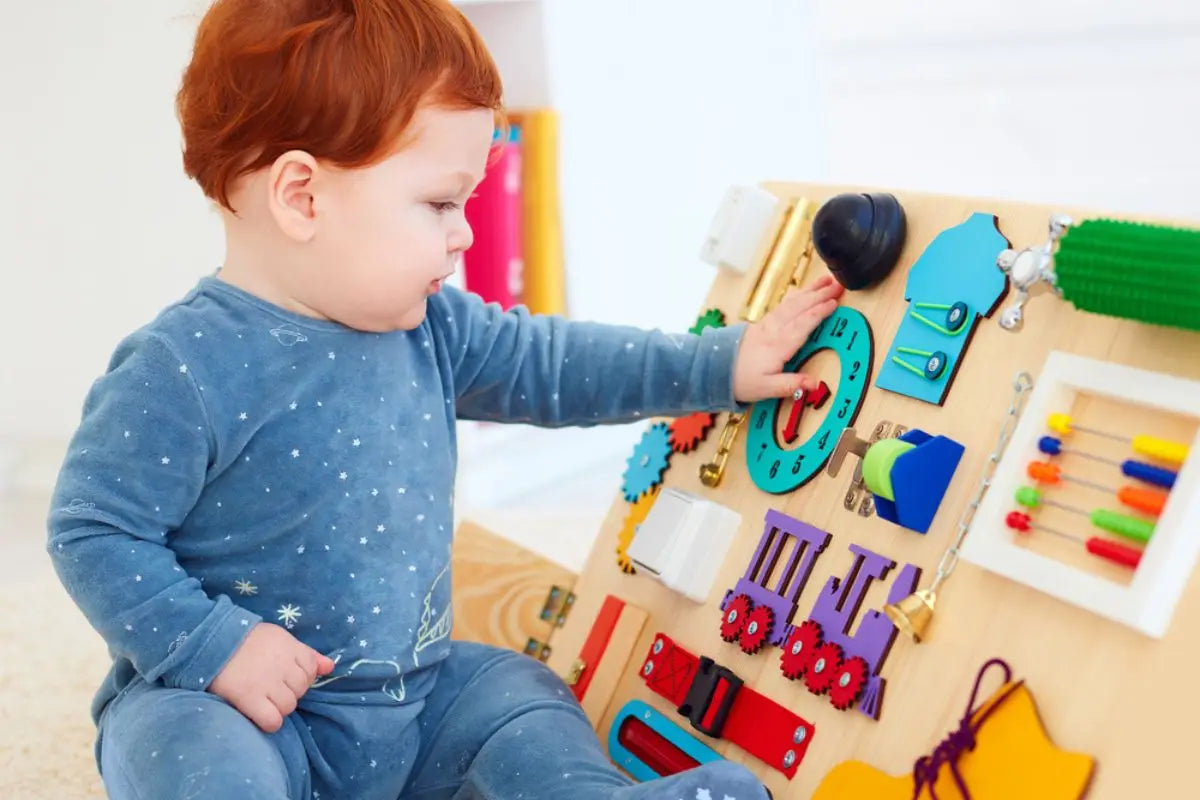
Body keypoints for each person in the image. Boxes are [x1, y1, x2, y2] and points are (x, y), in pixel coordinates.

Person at [46, 1, 844, 797]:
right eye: (440, 203)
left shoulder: (433, 328)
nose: (465, 234)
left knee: (518, 693)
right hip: (239, 709)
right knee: (189, 755)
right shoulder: (181, 366)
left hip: (410, 701)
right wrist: (213, 647)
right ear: (302, 197)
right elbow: (93, 528)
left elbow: (561, 365)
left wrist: (724, 363)